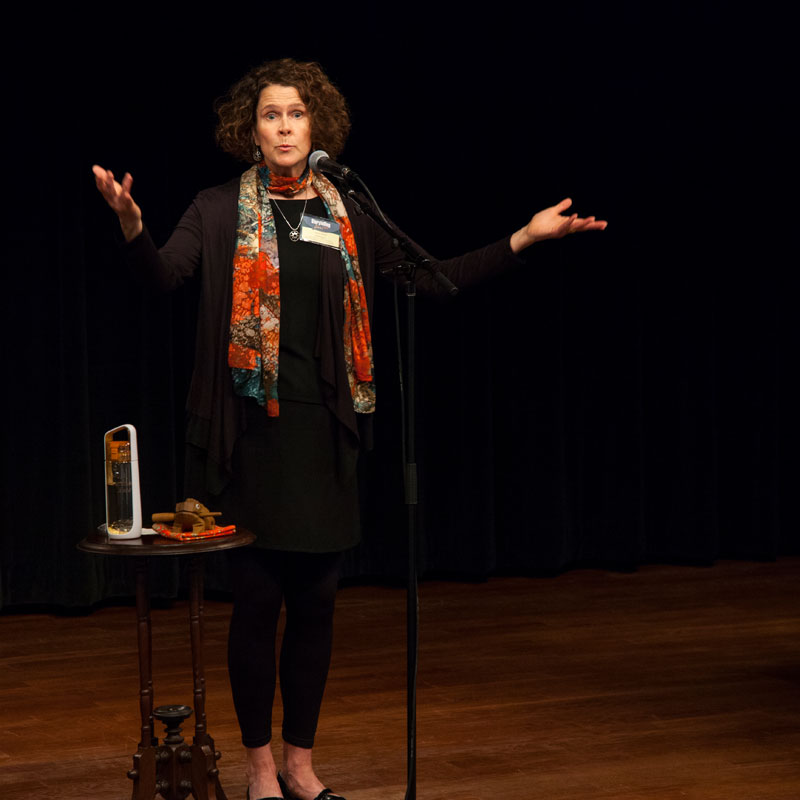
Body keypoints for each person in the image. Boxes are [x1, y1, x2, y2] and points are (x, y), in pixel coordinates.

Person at [93, 58, 607, 800]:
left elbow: (430, 279)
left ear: (316, 126)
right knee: (259, 602)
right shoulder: (214, 207)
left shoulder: (347, 208)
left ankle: (301, 765)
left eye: (296, 115)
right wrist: (132, 227)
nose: (283, 127)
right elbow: (163, 276)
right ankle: (259, 766)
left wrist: (523, 238)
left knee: (317, 602)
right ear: (250, 128)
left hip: (325, 433)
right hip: (248, 437)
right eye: (270, 115)